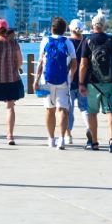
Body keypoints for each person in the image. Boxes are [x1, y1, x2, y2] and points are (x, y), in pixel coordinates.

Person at [79, 13, 112, 153]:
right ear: (104, 26)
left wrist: (81, 83)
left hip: (93, 84)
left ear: (92, 26)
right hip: (110, 83)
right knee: (110, 112)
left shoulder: (87, 41)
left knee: (92, 113)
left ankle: (95, 142)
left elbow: (83, 65)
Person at [35, 16, 77, 148]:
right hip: (63, 81)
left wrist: (36, 80)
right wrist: (70, 76)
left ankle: (51, 139)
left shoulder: (45, 40)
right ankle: (62, 139)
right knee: (63, 110)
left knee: (49, 109)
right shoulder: (68, 42)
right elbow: (75, 63)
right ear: (64, 30)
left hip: (47, 80)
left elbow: (41, 62)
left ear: (52, 29)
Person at [65, 19, 88, 146]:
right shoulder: (86, 42)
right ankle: (90, 128)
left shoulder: (67, 42)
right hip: (84, 81)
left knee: (69, 109)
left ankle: (68, 135)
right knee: (85, 108)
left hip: (69, 80)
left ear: (70, 29)